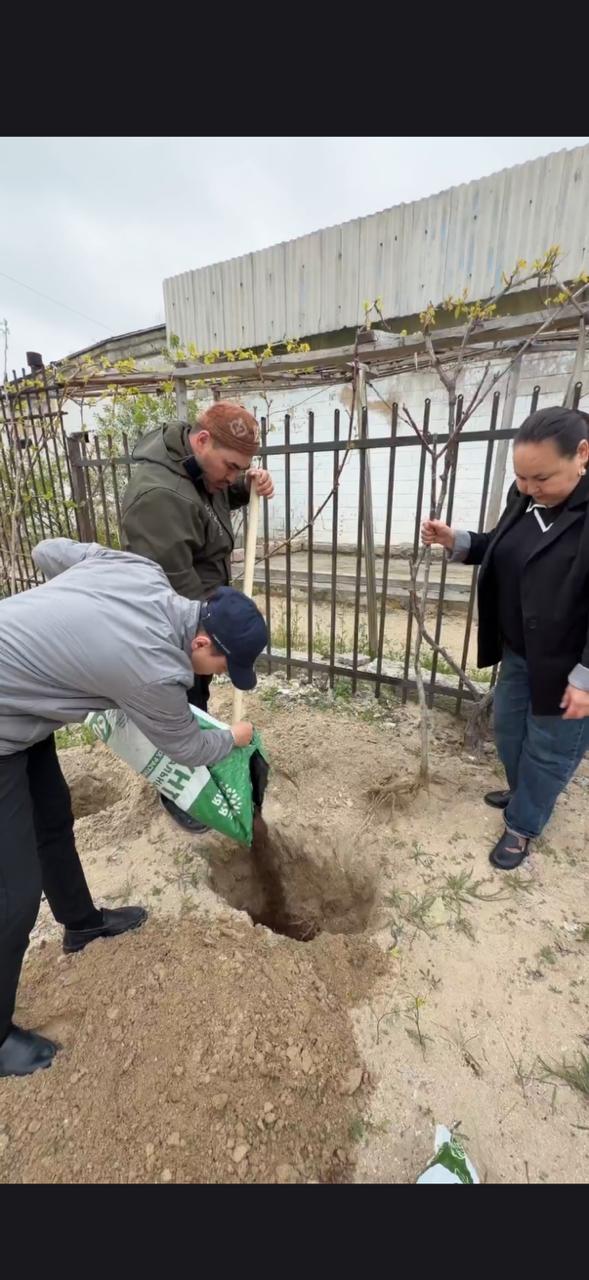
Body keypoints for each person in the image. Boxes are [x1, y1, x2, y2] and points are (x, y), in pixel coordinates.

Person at [0, 537, 267, 1078]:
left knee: (53, 819)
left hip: (21, 705)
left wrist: (66, 626)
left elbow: (48, 551)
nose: (218, 676)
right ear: (201, 640)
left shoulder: (141, 573)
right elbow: (187, 747)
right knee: (15, 892)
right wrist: (234, 737)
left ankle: (81, 925)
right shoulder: (153, 668)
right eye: (222, 665)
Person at [422, 406, 589, 870]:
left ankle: (524, 825)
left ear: (582, 454)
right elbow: (502, 543)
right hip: (520, 651)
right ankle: (524, 793)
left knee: (551, 748)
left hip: (572, 665)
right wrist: (456, 540)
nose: (529, 488)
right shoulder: (527, 499)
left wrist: (585, 678)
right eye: (521, 477)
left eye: (541, 478)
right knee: (510, 730)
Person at [121, 400, 274, 833]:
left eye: (242, 468)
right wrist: (217, 635)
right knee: (179, 704)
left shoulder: (197, 468)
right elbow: (172, 594)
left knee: (196, 695)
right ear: (202, 440)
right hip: (175, 624)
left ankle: (197, 754)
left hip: (201, 610)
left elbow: (209, 502)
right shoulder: (159, 498)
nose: (233, 476)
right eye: (232, 467)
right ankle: (179, 790)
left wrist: (246, 487)